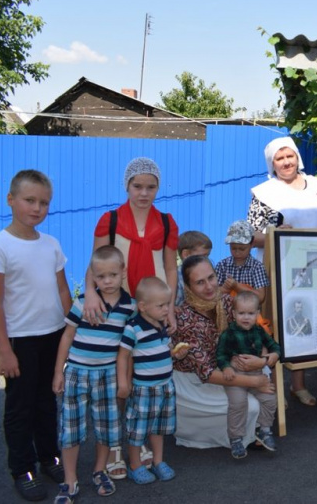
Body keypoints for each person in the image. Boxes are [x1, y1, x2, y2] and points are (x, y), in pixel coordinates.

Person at [80, 156, 179, 476]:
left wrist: (171, 307)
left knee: (144, 379)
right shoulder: (109, 220)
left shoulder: (166, 222)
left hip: (150, 310)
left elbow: (170, 268)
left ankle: (139, 441)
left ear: (158, 188)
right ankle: (114, 448)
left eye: (151, 187)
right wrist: (92, 293)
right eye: (137, 186)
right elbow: (95, 263)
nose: (144, 193)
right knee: (115, 380)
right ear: (127, 186)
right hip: (117, 306)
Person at [0, 170, 71, 501]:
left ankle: (49, 457)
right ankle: (22, 467)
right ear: (11, 200)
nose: (37, 208)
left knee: (47, 401)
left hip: (53, 335)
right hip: (21, 341)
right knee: (20, 407)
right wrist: (4, 351)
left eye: (44, 203)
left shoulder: (51, 245)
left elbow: (63, 290)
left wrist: (71, 332)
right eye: (30, 200)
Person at [247, 136, 317, 406]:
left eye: (290, 156)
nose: (286, 162)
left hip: (314, 270)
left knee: (303, 326)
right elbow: (250, 236)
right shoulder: (264, 193)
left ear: (298, 157)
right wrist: (275, 234)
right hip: (278, 270)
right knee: (274, 328)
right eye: (279, 158)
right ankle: (274, 388)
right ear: (272, 164)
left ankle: (298, 385)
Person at [52, 246, 137, 501]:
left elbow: (128, 349)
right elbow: (67, 336)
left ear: (123, 272)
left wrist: (126, 380)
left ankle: (99, 471)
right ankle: (70, 480)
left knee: (106, 427)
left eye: (113, 274)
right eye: (101, 276)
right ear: (93, 276)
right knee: (71, 428)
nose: (107, 281)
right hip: (77, 373)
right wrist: (58, 372)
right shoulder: (82, 303)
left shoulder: (130, 308)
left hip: (108, 376)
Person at [172, 256, 274, 449]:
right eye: (200, 282)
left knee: (263, 384)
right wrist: (254, 381)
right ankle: (238, 435)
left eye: (211, 277)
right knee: (251, 406)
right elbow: (207, 374)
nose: (210, 286)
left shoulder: (227, 301)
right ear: (188, 287)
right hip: (195, 382)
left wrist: (261, 358)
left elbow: (256, 331)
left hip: (227, 367)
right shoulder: (184, 319)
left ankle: (257, 429)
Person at [117, 277, 185, 485]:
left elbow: (163, 351)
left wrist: (175, 354)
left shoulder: (161, 325)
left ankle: (158, 461)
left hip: (165, 386)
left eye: (167, 304)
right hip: (143, 389)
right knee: (137, 428)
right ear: (143, 307)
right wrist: (123, 383)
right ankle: (136, 465)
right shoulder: (133, 328)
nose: (166, 310)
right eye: (161, 306)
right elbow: (123, 356)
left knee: (159, 427)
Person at [216, 292, 279, 458]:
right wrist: (226, 367)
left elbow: (274, 346)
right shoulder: (228, 334)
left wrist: (273, 355)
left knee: (270, 398)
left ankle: (265, 429)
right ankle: (236, 438)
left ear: (257, 313)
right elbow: (220, 354)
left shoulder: (259, 331)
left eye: (250, 313)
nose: (246, 317)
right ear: (234, 313)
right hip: (236, 376)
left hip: (257, 372)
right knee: (238, 403)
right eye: (241, 313)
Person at [215, 220, 269, 302]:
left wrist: (236, 286)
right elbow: (213, 294)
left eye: (242, 249)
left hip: (248, 314)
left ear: (252, 244)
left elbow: (260, 297)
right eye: (233, 248)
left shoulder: (257, 267)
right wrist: (224, 289)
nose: (237, 253)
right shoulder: (222, 266)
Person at [175, 231, 212, 306]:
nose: (205, 260)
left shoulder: (205, 273)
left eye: (207, 256)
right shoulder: (177, 278)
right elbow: (176, 303)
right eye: (202, 256)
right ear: (186, 254)